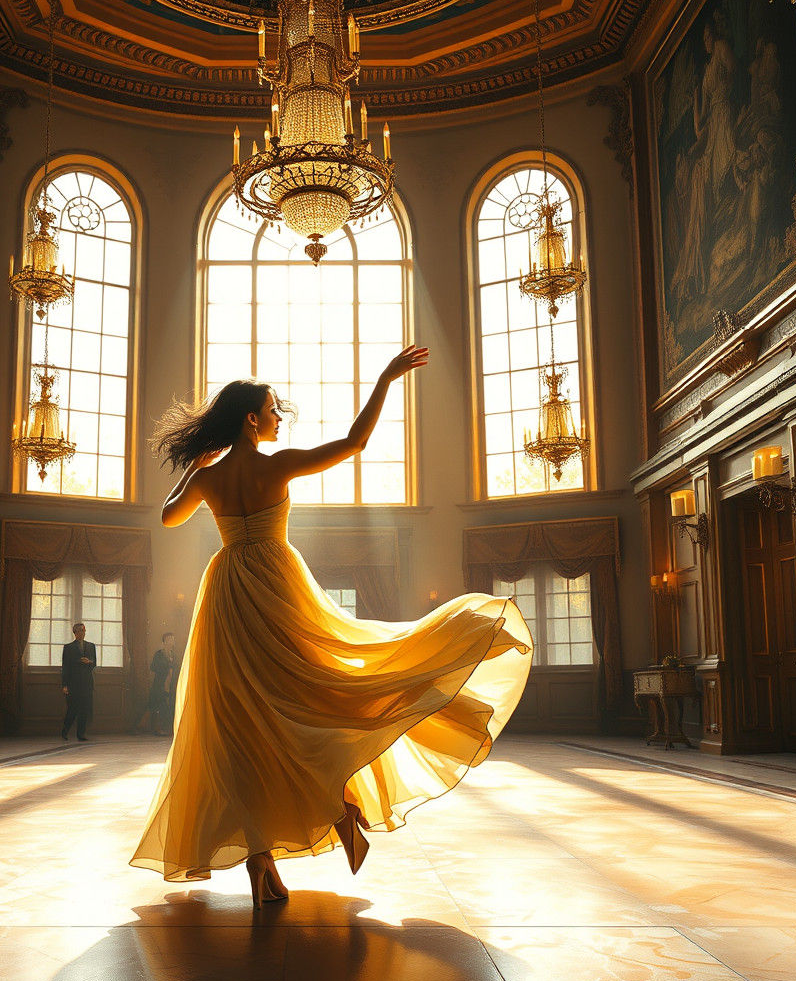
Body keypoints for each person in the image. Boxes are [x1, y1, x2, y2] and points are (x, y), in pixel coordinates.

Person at [129, 346, 533, 909]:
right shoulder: (275, 465)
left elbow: (170, 516)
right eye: (272, 410)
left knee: (239, 724)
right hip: (274, 581)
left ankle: (262, 856)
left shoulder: (211, 479)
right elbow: (354, 444)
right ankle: (336, 803)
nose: (278, 418)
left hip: (227, 591)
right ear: (251, 419)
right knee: (314, 693)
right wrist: (386, 381)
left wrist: (199, 467)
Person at [61, 622, 96, 742]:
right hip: (73, 684)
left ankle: (81, 734)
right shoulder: (68, 647)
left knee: (84, 710)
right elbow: (65, 667)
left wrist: (89, 662)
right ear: (75, 632)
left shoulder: (91, 646)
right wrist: (64, 685)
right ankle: (65, 731)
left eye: (84, 630)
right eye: (80, 631)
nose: (82, 633)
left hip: (87, 683)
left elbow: (94, 663)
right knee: (72, 709)